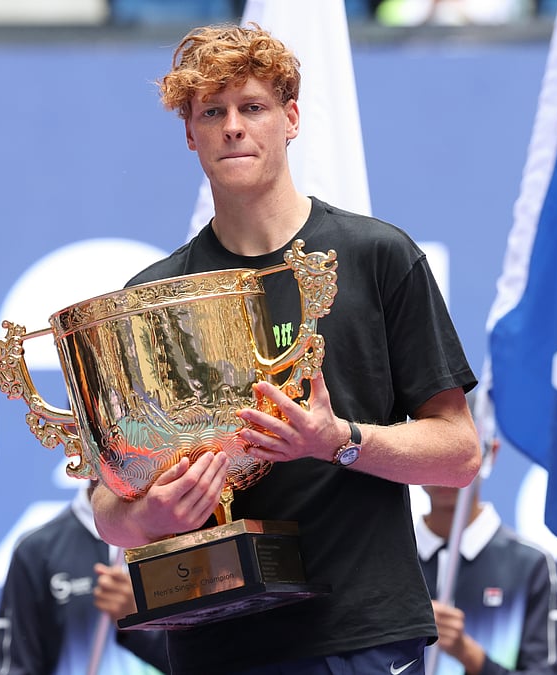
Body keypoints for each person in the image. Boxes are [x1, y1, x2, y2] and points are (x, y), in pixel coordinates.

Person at [90, 22, 482, 675]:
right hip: (219, 642)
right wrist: (149, 514)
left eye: (253, 107)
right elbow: (108, 506)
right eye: (212, 112)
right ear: (190, 133)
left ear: (291, 118)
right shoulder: (154, 296)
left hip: (361, 633)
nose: (233, 127)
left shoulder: (377, 256)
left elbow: (460, 454)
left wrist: (339, 439)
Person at [416, 433, 557, 675]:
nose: (445, 467)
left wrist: (469, 655)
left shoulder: (531, 564)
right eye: (432, 450)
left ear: (490, 453)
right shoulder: (386, 560)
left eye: (459, 451)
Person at [0, 482, 169, 674]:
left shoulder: (178, 538)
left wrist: (142, 623)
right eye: (104, 451)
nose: (121, 456)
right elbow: (16, 666)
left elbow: (200, 661)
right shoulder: (37, 551)